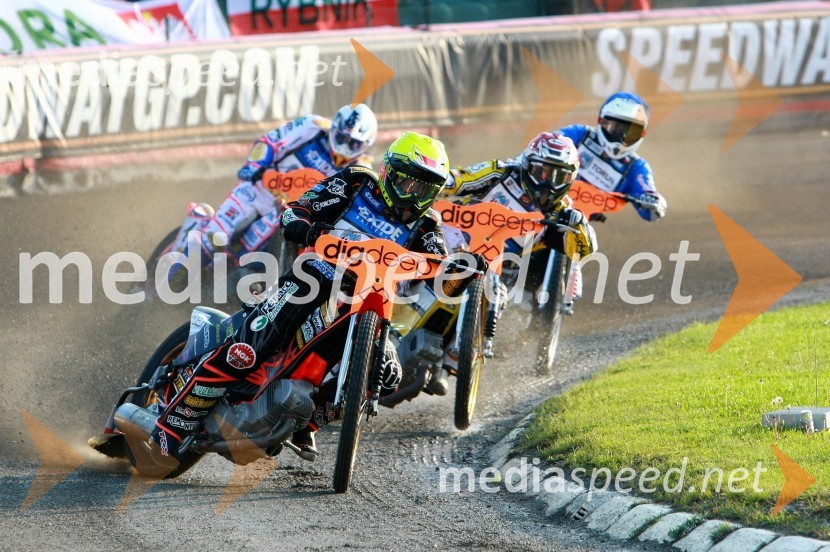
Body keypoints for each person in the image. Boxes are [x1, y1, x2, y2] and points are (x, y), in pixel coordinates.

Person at [146, 132, 453, 468]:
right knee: (247, 350)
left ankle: (306, 422)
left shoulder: (427, 226)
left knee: (385, 374)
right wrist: (304, 226)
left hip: (369, 303)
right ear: (389, 172)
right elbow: (300, 208)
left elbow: (444, 272)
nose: (413, 195)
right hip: (313, 278)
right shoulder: (357, 182)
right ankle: (172, 426)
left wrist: (466, 268)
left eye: (424, 188)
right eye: (409, 183)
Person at [434, 131, 597, 393]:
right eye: (542, 172)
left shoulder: (562, 208)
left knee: (496, 294)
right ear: (527, 164)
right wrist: (437, 183)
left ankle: (452, 358)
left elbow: (584, 251)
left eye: (559, 176)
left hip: (498, 266)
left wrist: (579, 227)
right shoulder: (500, 171)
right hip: (454, 238)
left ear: (570, 178)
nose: (548, 183)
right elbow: (459, 179)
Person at [183, 104, 378, 260]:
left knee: (256, 256)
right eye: (341, 137)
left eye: (353, 143)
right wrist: (255, 165)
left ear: (365, 144)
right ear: (334, 128)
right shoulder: (312, 126)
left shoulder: (361, 171)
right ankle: (159, 289)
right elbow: (271, 141)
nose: (343, 146)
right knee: (212, 240)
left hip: (292, 211)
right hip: (260, 189)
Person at [556, 92, 666, 222]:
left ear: (642, 134)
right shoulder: (578, 134)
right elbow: (541, 147)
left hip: (577, 223)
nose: (623, 137)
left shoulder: (636, 167)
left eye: (631, 132)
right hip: (540, 204)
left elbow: (650, 210)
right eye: (618, 129)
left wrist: (653, 202)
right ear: (602, 121)